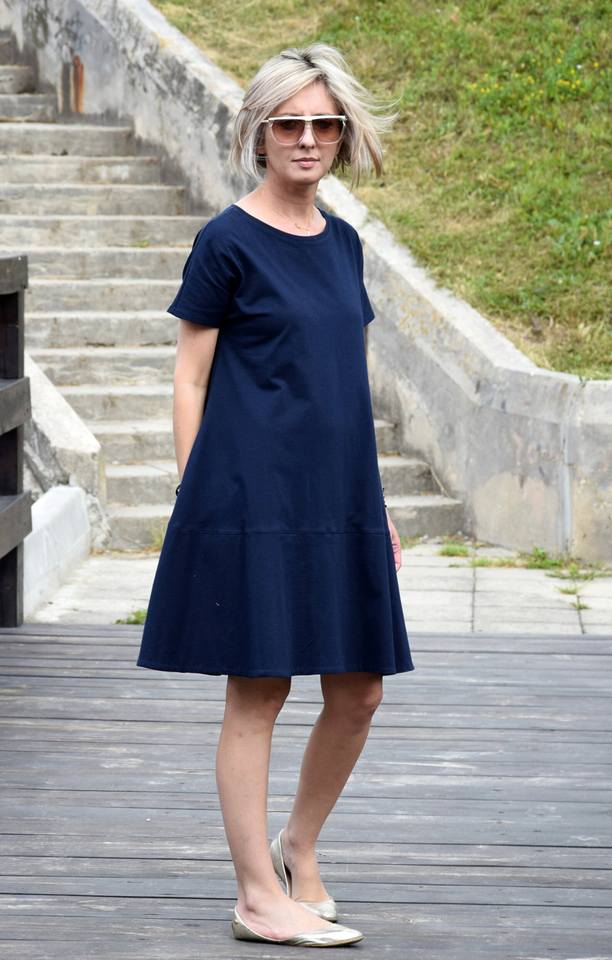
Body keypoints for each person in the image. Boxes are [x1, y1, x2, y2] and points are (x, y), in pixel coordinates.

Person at [136, 41, 415, 947]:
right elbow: (190, 378)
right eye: (288, 123)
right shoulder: (226, 241)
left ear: (343, 135)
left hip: (339, 496)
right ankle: (258, 895)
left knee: (360, 691)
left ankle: (299, 845)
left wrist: (376, 503)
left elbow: (346, 382)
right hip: (249, 496)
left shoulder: (344, 244)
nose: (307, 139)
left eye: (323, 124)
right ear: (258, 134)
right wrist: (197, 497)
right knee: (259, 692)